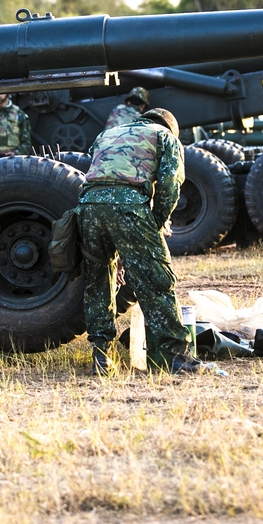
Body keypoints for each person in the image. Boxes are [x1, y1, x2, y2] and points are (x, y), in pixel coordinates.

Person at [79, 107, 205, 375]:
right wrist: (157, 224)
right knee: (156, 279)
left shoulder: (107, 134)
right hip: (129, 207)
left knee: (98, 281)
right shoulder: (165, 137)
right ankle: (174, 357)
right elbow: (171, 186)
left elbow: (101, 172)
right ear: (169, 127)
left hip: (88, 207)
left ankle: (102, 357)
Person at [0, 93, 33, 161]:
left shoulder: (19, 114)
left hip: (13, 162)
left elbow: (26, 142)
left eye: (1, 91)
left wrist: (16, 153)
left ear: (9, 93)